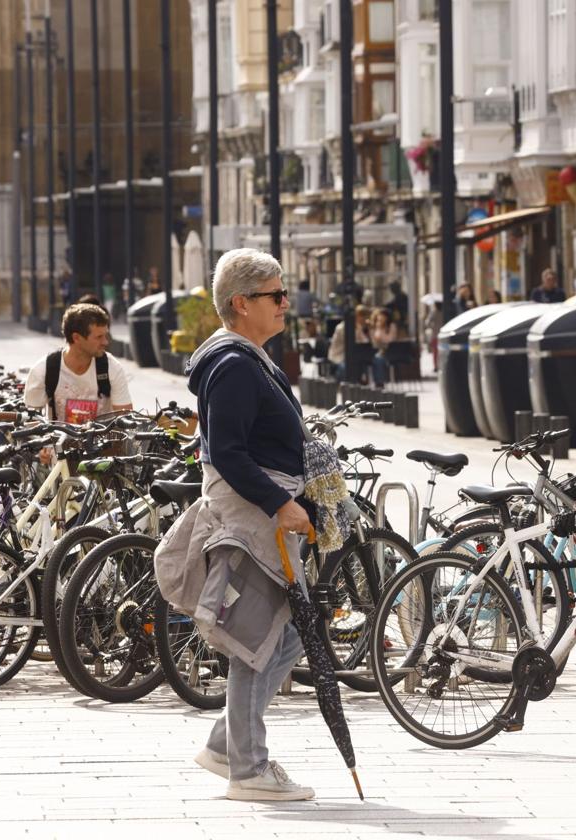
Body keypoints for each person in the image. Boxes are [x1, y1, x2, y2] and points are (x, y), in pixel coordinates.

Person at [180, 247, 316, 800]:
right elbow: (230, 452)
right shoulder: (234, 365)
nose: (287, 304)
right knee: (257, 641)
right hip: (258, 519)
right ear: (241, 303)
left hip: (268, 514)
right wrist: (277, 503)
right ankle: (249, 769)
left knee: (286, 637)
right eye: (275, 295)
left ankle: (225, 742)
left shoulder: (247, 357)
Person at [23, 303, 132, 423]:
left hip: (102, 440)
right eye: (99, 337)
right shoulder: (44, 370)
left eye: (105, 335)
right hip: (58, 440)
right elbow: (31, 422)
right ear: (76, 338)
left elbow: (125, 421)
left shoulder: (111, 368)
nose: (105, 342)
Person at [326, 306, 371, 381]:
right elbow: (354, 342)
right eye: (363, 317)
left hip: (353, 357)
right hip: (339, 356)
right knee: (346, 368)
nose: (365, 320)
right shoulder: (342, 328)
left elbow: (365, 341)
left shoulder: (358, 327)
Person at [368, 307, 399, 387]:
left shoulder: (391, 326)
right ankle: (373, 381)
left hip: (388, 351)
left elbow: (389, 340)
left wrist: (380, 330)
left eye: (383, 316)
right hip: (374, 350)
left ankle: (379, 382)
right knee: (374, 359)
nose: (381, 318)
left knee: (379, 360)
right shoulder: (373, 327)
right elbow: (373, 340)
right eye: (379, 316)